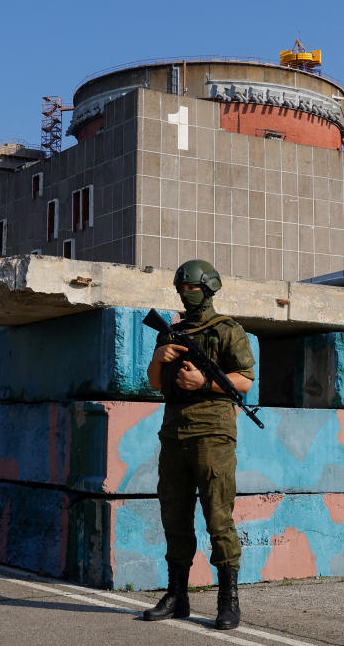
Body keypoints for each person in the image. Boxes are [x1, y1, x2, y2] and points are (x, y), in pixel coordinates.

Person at [143, 259, 255, 631]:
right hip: (174, 433)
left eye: (191, 288)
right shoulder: (170, 332)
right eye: (182, 289)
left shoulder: (227, 330)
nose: (185, 294)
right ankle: (177, 595)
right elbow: (156, 383)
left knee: (218, 517)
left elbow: (244, 382)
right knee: (174, 516)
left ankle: (228, 600)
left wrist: (204, 384)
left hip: (213, 433)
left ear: (207, 289)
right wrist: (160, 357)